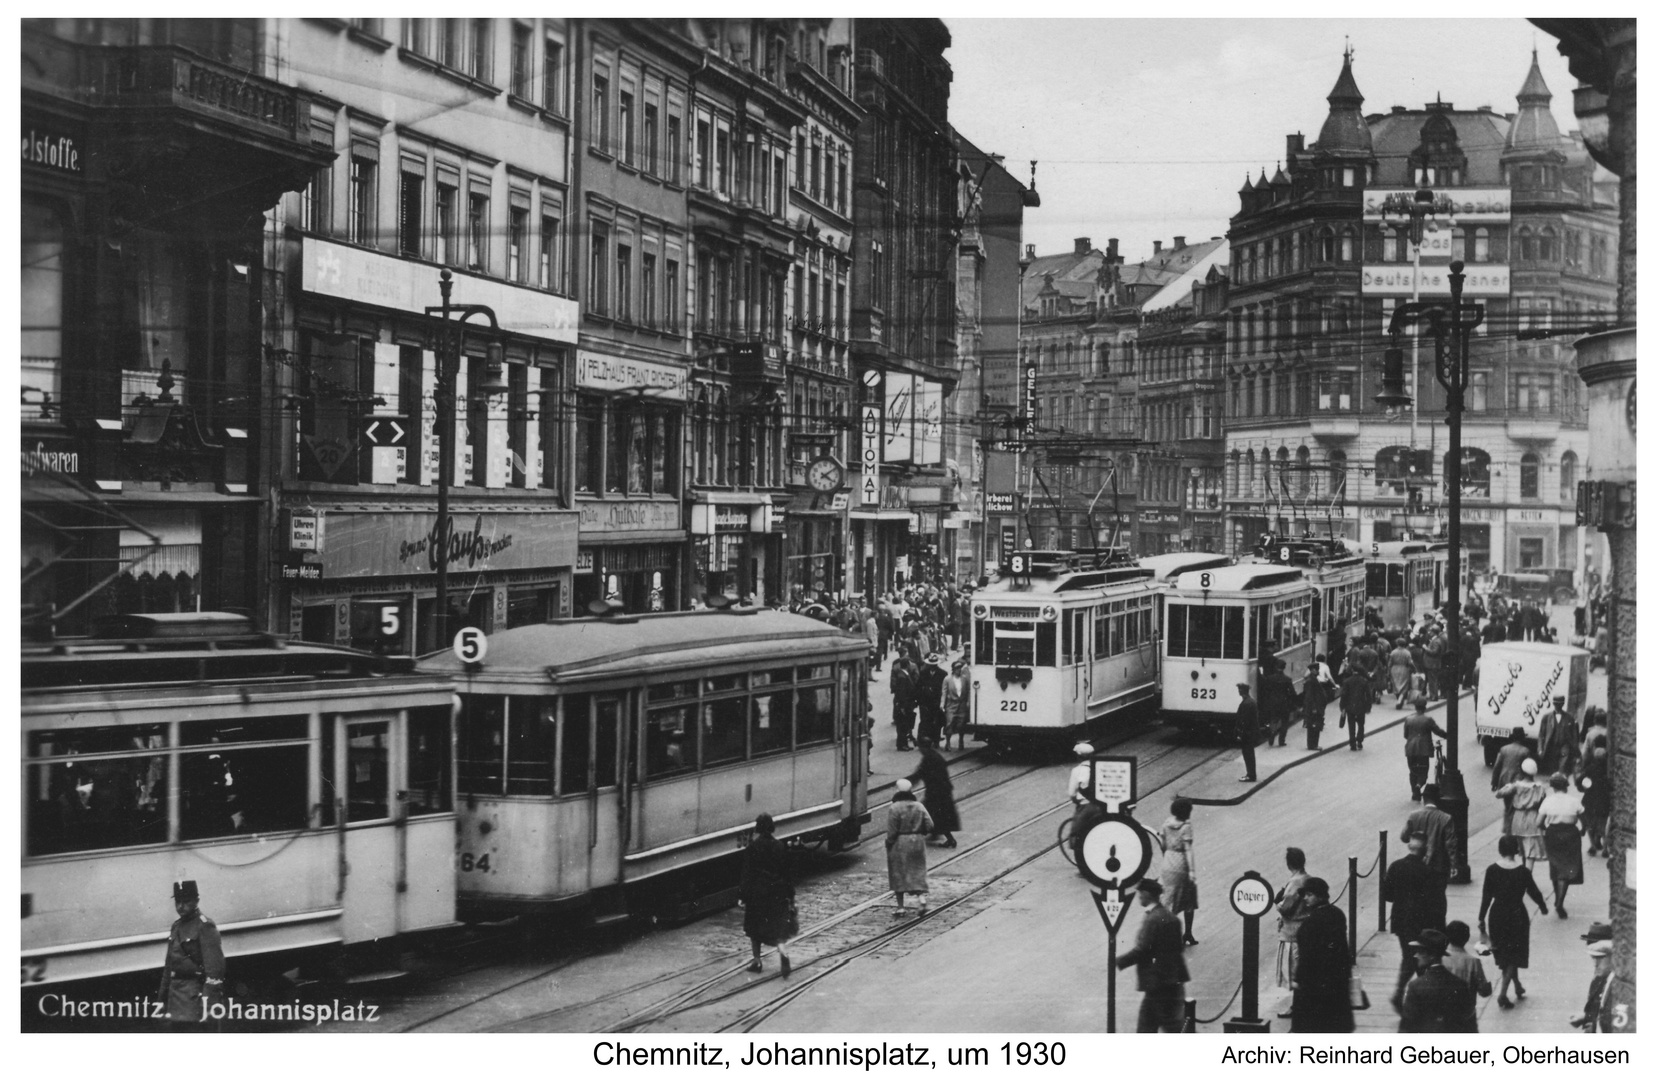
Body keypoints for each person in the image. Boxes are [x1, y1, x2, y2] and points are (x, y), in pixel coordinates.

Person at [1479, 833, 1548, 1009]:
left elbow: (1486, 896)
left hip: (1497, 915)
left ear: (1500, 850)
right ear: (1517, 850)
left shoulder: (1492, 870)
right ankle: (1502, 994)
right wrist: (1542, 906)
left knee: (1504, 953)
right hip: (1517, 915)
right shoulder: (1523, 871)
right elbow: (1533, 891)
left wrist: (1481, 917)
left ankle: (1517, 986)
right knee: (1513, 954)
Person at [1114, 879, 1189, 1033]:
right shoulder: (1169, 916)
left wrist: (1118, 961)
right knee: (1153, 1026)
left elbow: (1142, 949)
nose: (1138, 897)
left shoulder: (1153, 919)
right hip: (1170, 981)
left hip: (1158, 984)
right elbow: (1178, 947)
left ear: (1147, 894)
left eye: (1140, 894)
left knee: (1163, 1027)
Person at [1383, 833, 1443, 1011]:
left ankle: (1410, 995)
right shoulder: (1427, 871)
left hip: (1400, 920)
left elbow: (1387, 895)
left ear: (1409, 847)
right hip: (1421, 922)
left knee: (1409, 956)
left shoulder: (1396, 866)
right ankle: (1409, 995)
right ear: (1425, 850)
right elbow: (1434, 902)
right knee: (1417, 958)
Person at [156, 879, 226, 1026]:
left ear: (196, 901)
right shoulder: (176, 927)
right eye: (178, 902)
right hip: (175, 1000)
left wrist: (207, 1008)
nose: (181, 907)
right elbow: (169, 968)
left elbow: (214, 972)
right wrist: (161, 1000)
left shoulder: (205, 926)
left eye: (186, 901)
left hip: (195, 1000)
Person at [1290, 876, 1354, 1033]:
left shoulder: (1311, 922)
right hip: (1336, 981)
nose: (1305, 898)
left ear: (1320, 896)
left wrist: (1298, 979)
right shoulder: (1337, 913)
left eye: (1309, 895)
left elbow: (1307, 957)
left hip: (1314, 984)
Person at [739, 813, 796, 975]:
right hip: (777, 893)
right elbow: (787, 874)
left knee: (754, 929)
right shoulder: (780, 846)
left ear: (757, 828)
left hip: (757, 894)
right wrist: (790, 896)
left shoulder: (752, 848)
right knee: (777, 928)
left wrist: (742, 896)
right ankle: (783, 953)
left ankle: (757, 961)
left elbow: (747, 874)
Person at [1397, 929, 1476, 1033]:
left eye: (1420, 952)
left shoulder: (1415, 986)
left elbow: (1406, 1027)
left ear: (1431, 956)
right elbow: (1469, 1026)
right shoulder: (1460, 984)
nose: (1416, 955)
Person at [1537, 772, 1584, 918]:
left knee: (1555, 867)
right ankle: (1559, 902)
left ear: (1552, 787)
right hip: (1570, 834)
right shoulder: (1574, 800)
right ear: (1566, 786)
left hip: (1553, 834)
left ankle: (1558, 898)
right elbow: (1584, 818)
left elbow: (1539, 823)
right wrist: (1583, 830)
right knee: (1568, 867)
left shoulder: (1548, 801)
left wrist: (1547, 831)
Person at [1272, 847, 1311, 1018]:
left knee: (1295, 972)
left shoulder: (1295, 881)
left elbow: (1285, 907)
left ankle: (1297, 1007)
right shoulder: (1307, 878)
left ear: (1289, 864)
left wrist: (1277, 903)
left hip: (1292, 931)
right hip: (1304, 928)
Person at [885, 779, 933, 916]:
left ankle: (900, 907)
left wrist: (889, 842)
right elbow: (930, 825)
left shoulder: (894, 807)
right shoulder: (918, 806)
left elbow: (892, 830)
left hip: (901, 841)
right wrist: (920, 833)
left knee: (898, 872)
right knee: (917, 871)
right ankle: (922, 899)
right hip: (917, 841)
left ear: (897, 790)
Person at [1157, 797, 1199, 946]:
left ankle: (1162, 935)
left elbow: (1162, 845)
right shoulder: (1186, 826)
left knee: (1168, 899)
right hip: (1181, 863)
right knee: (1188, 899)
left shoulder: (1166, 823)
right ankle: (1187, 933)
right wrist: (1192, 871)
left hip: (1168, 861)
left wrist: (1168, 855)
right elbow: (1188, 850)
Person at [906, 738, 960, 848]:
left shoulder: (930, 758)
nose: (920, 750)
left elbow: (920, 773)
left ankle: (950, 839)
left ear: (924, 747)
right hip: (940, 790)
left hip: (937, 792)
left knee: (934, 815)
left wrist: (907, 782)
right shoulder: (933, 756)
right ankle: (936, 834)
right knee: (935, 815)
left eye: (920, 747)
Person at [1402, 784, 1459, 886]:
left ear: (1424, 798)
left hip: (1417, 863)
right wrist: (1453, 865)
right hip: (1438, 866)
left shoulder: (1413, 815)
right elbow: (1450, 845)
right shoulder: (1446, 818)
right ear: (1438, 799)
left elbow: (1404, 837)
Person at [1441, 920, 1492, 1031]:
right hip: (1465, 1014)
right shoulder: (1473, 962)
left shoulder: (1439, 958)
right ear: (1467, 938)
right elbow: (1484, 991)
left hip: (1442, 1013)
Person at [1496, 758, 1548, 865]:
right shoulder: (1540, 788)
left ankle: (1525, 872)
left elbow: (1499, 794)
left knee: (1522, 848)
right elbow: (1543, 805)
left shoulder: (1516, 786)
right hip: (1533, 817)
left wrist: (1508, 786)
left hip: (1518, 818)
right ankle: (1527, 874)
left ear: (1522, 771)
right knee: (1531, 849)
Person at [1401, 696, 1450, 802]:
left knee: (1412, 771)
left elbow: (1405, 735)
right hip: (1423, 750)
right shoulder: (1428, 720)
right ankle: (1419, 786)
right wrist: (1447, 735)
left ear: (1415, 707)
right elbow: (1437, 731)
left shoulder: (1408, 719)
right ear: (1425, 707)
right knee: (1423, 772)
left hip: (1410, 749)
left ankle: (1415, 793)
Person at [1570, 924, 1615, 1031]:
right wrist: (1586, 1017)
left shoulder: (1615, 983)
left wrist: (1590, 1021)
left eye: (1599, 957)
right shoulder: (1600, 977)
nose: (1594, 962)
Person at [1491, 727, 1533, 835]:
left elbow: (1497, 766)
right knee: (1513, 808)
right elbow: (1528, 769)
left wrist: (1494, 782)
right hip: (1517, 783)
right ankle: (1510, 832)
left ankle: (1507, 830)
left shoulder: (1504, 749)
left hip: (1504, 782)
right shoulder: (1525, 751)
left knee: (1507, 806)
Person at [1579, 745, 1610, 857]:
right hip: (1604, 802)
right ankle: (1605, 849)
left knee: (1590, 825)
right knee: (1604, 826)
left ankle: (1592, 846)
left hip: (1590, 801)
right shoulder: (1608, 770)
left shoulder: (1589, 769)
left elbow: (1581, 782)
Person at [1537, 695, 1580, 776]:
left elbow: (1574, 736)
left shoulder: (1569, 718)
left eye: (1560, 703)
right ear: (1553, 703)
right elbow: (1541, 735)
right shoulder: (1546, 717)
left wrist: (1576, 751)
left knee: (1562, 770)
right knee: (1552, 772)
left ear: (1563, 704)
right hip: (1551, 747)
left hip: (1564, 747)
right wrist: (1540, 749)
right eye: (1556, 703)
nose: (1558, 705)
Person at [1260, 659, 1297, 747]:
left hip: (1273, 703)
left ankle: (1272, 734)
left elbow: (1266, 691)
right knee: (1284, 722)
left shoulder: (1270, 678)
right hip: (1284, 703)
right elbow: (1292, 693)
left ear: (1276, 667)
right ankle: (1281, 741)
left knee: (1273, 720)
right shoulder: (1287, 679)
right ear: (1284, 668)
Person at [915, 654, 948, 746]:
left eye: (934, 664)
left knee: (937, 722)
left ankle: (936, 740)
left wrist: (942, 702)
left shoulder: (943, 674)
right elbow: (918, 686)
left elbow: (944, 689)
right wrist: (919, 700)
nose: (932, 666)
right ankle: (923, 740)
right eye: (931, 664)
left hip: (936, 702)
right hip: (925, 702)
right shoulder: (923, 672)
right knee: (925, 721)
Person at [1339, 664, 1372, 751]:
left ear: (1352, 671)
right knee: (1361, 725)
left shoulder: (1347, 681)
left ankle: (1352, 743)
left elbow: (1343, 695)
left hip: (1350, 707)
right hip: (1361, 706)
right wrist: (1368, 707)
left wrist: (1342, 706)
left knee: (1351, 725)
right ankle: (1360, 741)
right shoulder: (1364, 681)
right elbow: (1368, 695)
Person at [941, 658, 970, 751]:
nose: (959, 670)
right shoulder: (947, 679)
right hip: (951, 705)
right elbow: (944, 692)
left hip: (961, 705)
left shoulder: (964, 679)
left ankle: (961, 741)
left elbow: (968, 691)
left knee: (961, 724)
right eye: (957, 668)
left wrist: (968, 701)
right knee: (949, 724)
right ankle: (948, 743)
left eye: (960, 668)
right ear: (953, 669)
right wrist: (942, 703)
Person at [1302, 659, 1331, 750]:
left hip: (1316, 707)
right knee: (1314, 726)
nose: (1318, 671)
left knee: (1314, 726)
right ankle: (1313, 745)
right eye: (1316, 669)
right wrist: (1314, 708)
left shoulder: (1313, 680)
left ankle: (1312, 744)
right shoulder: (1311, 681)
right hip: (1314, 708)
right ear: (1312, 670)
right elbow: (1310, 696)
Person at [890, 653, 917, 751]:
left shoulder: (903, 674)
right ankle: (902, 745)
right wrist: (902, 707)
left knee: (904, 725)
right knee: (903, 725)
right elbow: (901, 693)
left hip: (905, 704)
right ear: (908, 665)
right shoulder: (902, 677)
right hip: (904, 705)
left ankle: (903, 743)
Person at [1234, 682, 1259, 782]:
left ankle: (1250, 775)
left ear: (1242, 691)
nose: (1238, 691)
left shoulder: (1246, 704)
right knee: (1249, 754)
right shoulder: (1250, 701)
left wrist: (1240, 734)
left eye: (1239, 689)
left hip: (1247, 734)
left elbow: (1244, 721)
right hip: (1250, 733)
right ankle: (1251, 774)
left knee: (1248, 755)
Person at [1388, 637, 1416, 707]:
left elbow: (1390, 663)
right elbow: (1410, 663)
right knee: (1404, 686)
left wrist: (1388, 671)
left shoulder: (1393, 652)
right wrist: (1414, 669)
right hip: (1404, 669)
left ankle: (1399, 698)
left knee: (1396, 685)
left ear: (1397, 644)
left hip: (1394, 669)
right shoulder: (1407, 652)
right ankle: (1400, 700)